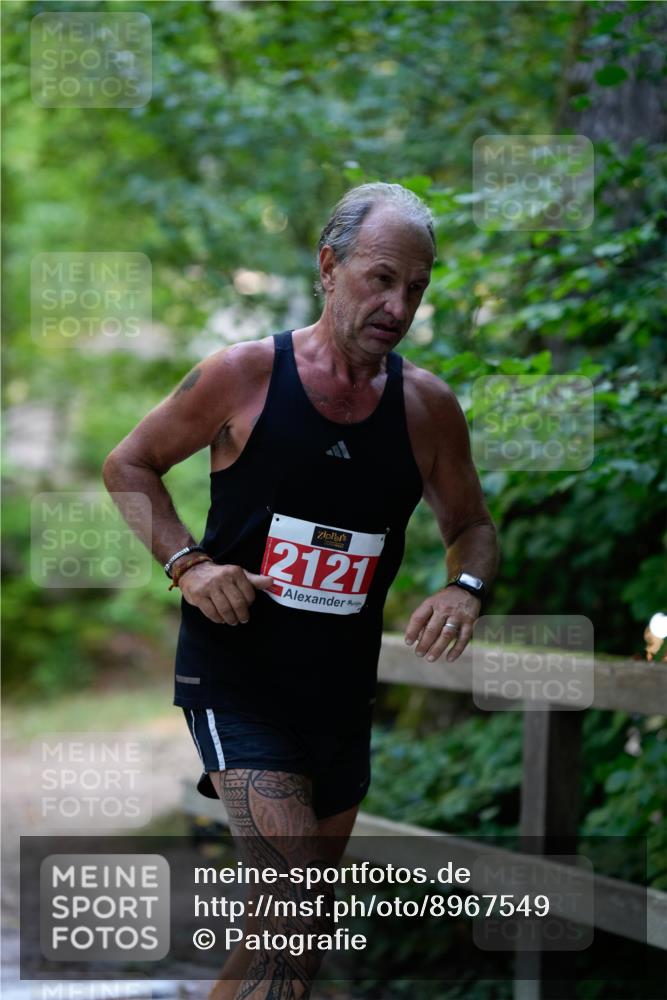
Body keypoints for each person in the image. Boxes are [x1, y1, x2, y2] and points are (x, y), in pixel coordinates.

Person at [103, 182, 499, 999]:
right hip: (235, 680)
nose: (399, 304)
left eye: (416, 289)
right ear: (329, 265)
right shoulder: (243, 374)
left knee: (286, 932)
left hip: (339, 697)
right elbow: (127, 465)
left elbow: (473, 526)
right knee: (296, 906)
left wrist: (463, 588)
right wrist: (190, 565)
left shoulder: (426, 408)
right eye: (381, 278)